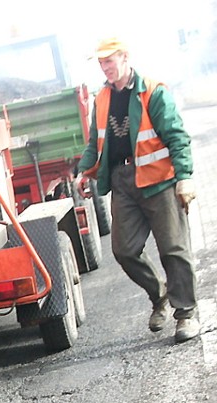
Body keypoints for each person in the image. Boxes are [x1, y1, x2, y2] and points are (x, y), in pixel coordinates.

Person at [75, 37, 200, 343]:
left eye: (110, 61)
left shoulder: (153, 91)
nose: (106, 68)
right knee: (124, 250)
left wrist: (184, 177)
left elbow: (176, 136)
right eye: (102, 63)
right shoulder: (102, 98)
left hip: (158, 181)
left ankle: (186, 315)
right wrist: (84, 171)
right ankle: (160, 296)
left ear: (125, 57)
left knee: (173, 248)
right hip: (122, 182)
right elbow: (96, 143)